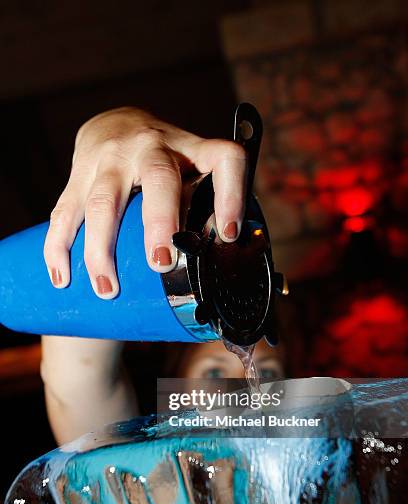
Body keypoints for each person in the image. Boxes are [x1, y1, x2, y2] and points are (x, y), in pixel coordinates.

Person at [40, 107, 285, 445]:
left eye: (268, 373)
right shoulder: (147, 483)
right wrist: (112, 130)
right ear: (178, 388)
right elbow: (77, 382)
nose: (239, 392)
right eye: (212, 373)